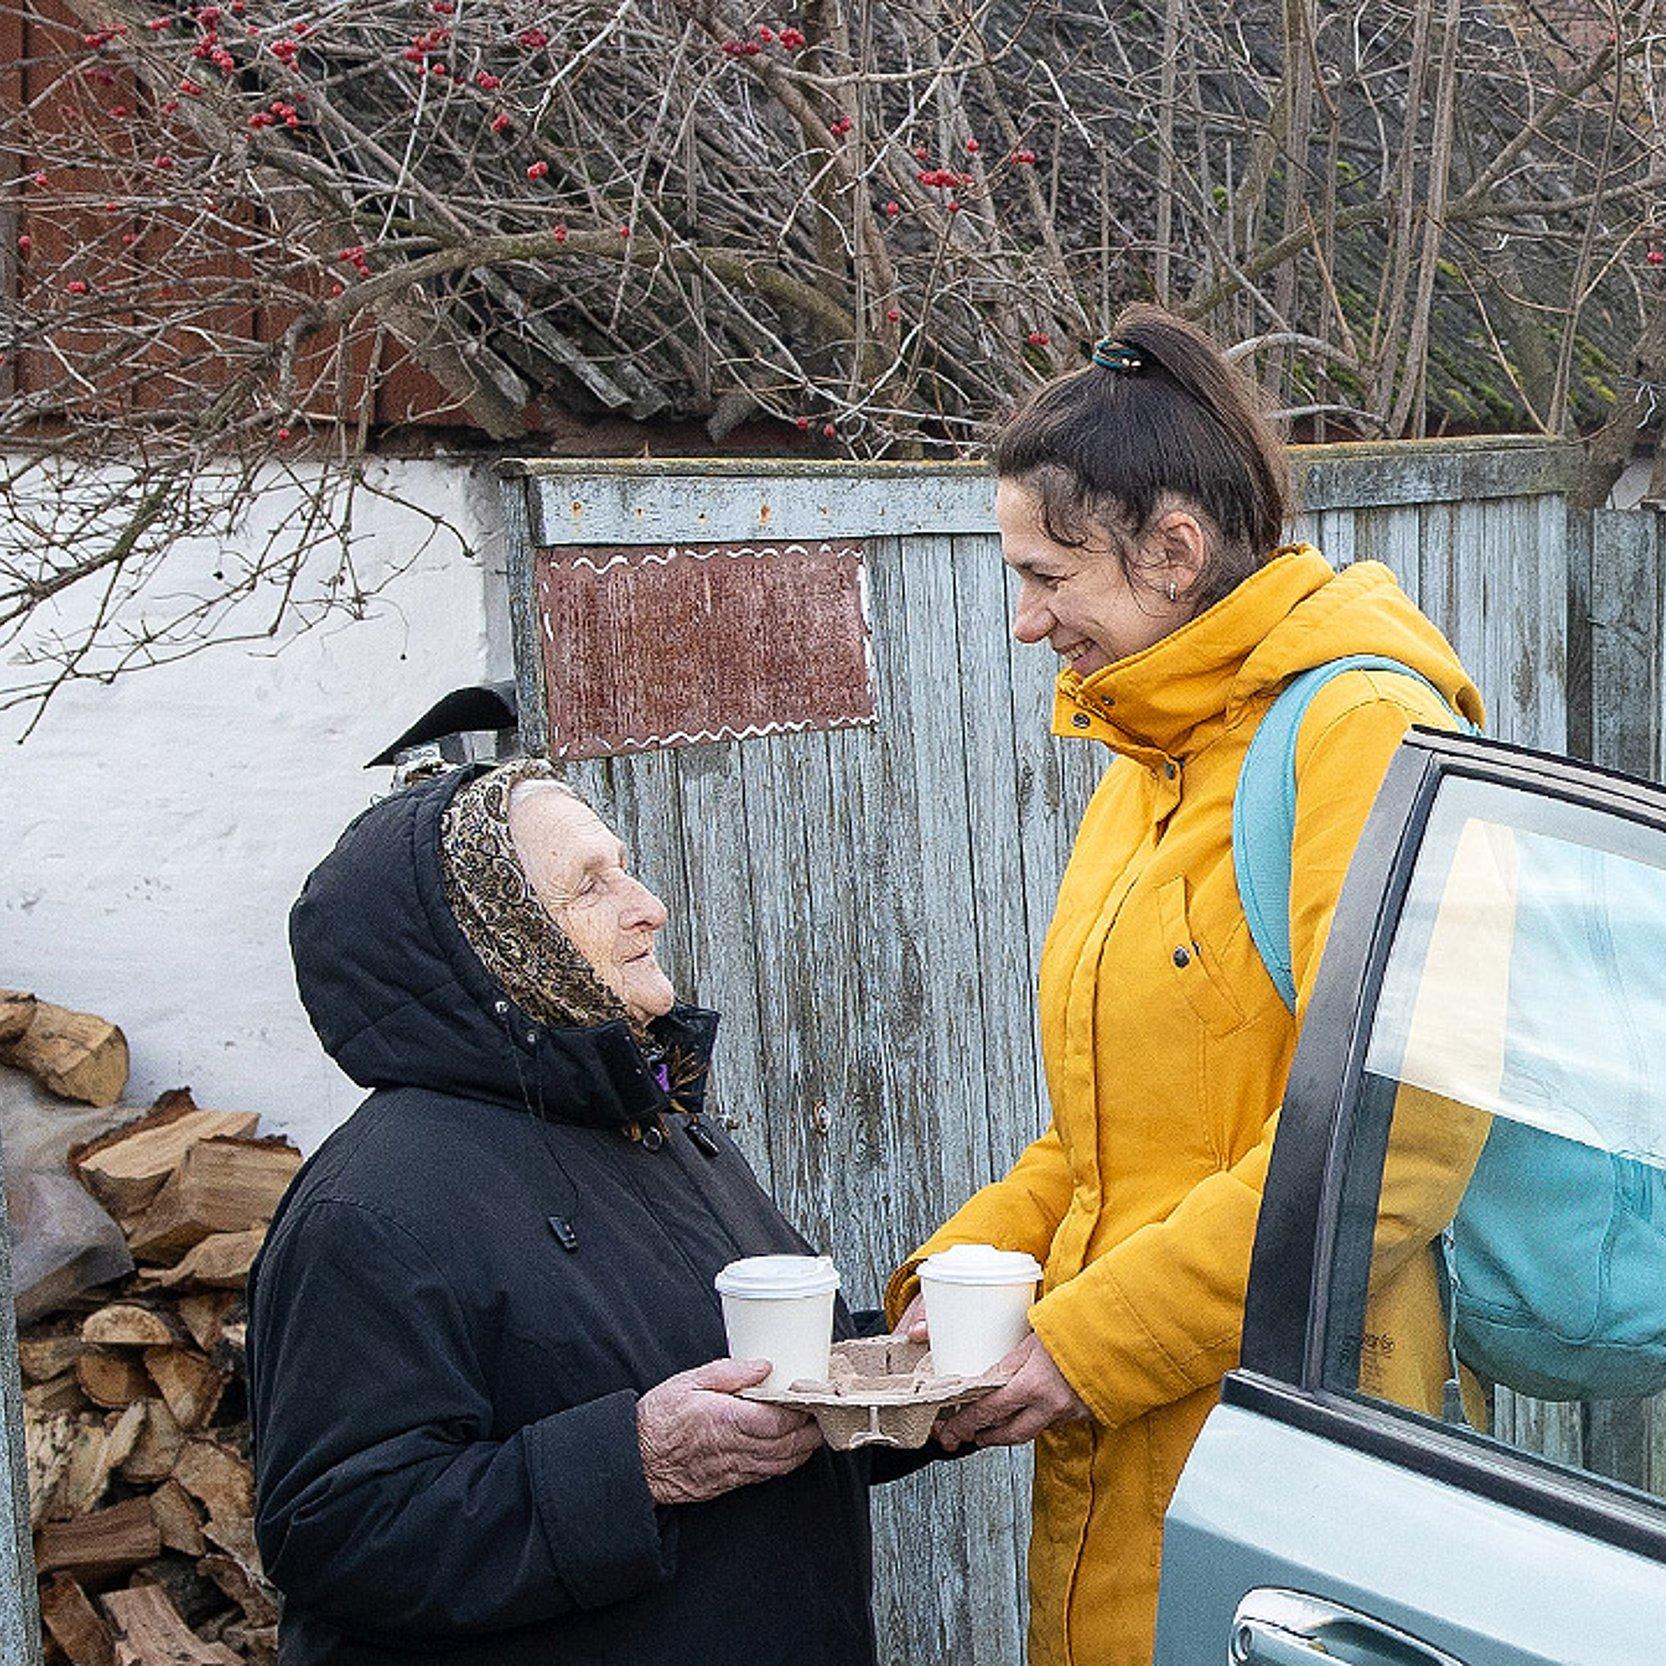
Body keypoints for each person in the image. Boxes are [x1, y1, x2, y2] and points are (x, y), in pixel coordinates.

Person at [885, 304, 1487, 1666]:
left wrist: (1085, 1346)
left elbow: (1398, 1139)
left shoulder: (1359, 733)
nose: (1025, 620)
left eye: (1047, 574)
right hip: (1126, 1446)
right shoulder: (1144, 763)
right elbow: (1103, 1131)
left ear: (1172, 548)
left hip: (1286, 1458)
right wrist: (967, 1271)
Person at [248, 760, 887, 1666]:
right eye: (592, 884)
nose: (649, 905)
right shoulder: (373, 1206)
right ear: (493, 941)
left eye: (623, 867)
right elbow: (338, 1533)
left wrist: (904, 1379)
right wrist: (637, 1465)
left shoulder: (653, 1126)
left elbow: (744, 1391)